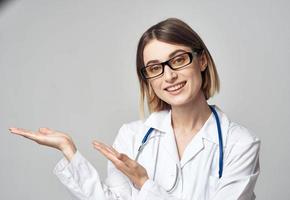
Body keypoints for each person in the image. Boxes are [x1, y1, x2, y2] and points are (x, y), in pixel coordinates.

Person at [9, 17, 260, 200]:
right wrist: (69, 151)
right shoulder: (132, 136)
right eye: (154, 68)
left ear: (202, 60)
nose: (169, 76)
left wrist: (143, 183)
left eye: (178, 59)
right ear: (148, 78)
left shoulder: (239, 143)